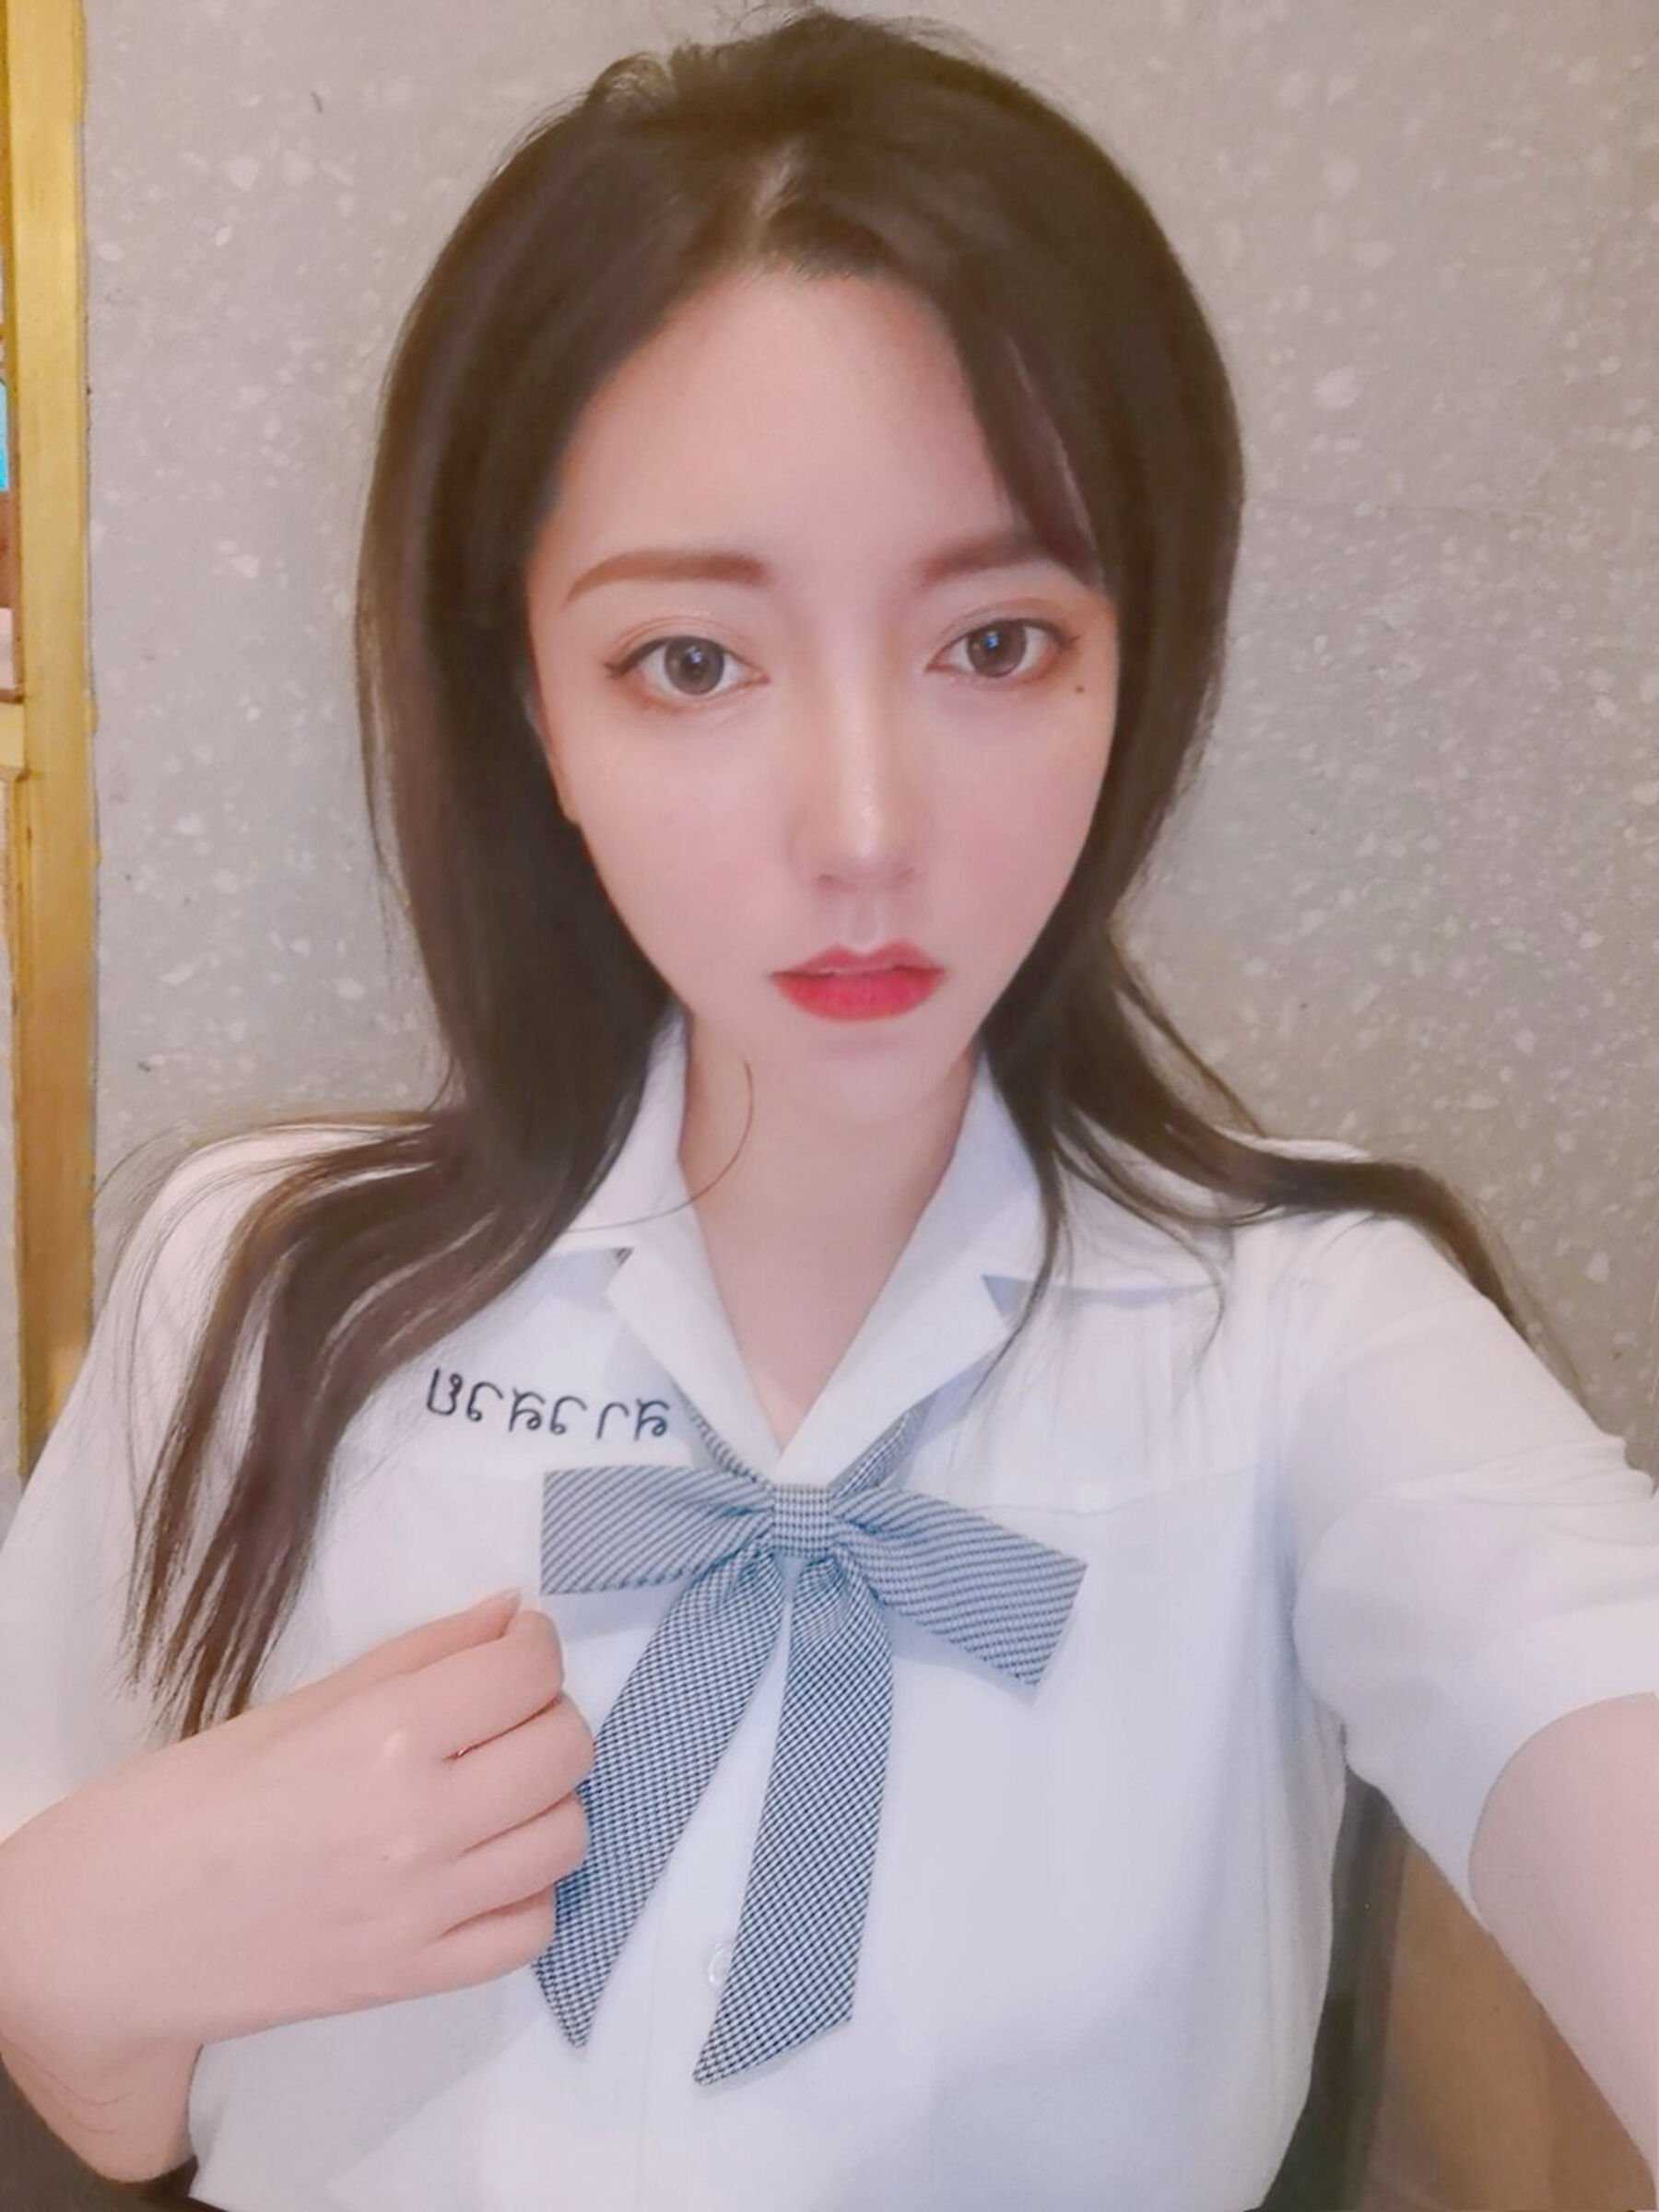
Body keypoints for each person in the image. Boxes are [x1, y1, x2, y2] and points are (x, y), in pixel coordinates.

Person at [0, 6, 1655, 2209]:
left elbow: (1577, 1670)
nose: (864, 831)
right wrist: (76, 1928)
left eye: (996, 645)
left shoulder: (1311, 1336)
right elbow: (97, 2097)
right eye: (692, 662)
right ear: (528, 699)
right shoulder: (265, 1280)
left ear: (1134, 658)